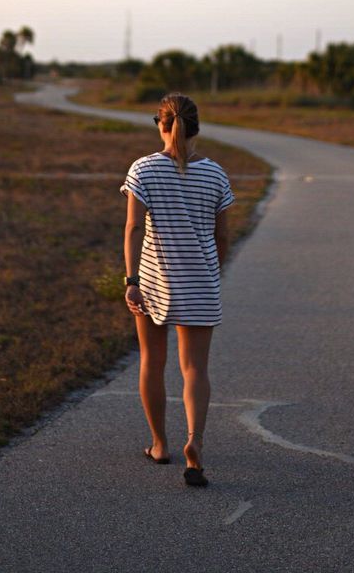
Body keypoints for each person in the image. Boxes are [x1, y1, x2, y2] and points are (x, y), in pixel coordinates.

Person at [120, 91, 234, 487]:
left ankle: (159, 444)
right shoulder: (216, 174)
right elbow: (222, 237)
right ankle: (195, 446)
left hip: (154, 282)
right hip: (200, 282)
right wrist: (209, 274)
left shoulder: (143, 169)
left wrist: (131, 280)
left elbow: (134, 227)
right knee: (195, 370)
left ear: (161, 125)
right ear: (196, 127)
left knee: (153, 360)